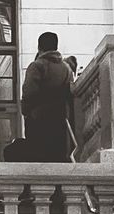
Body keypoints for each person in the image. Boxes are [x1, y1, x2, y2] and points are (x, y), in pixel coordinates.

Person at [20, 31, 75, 162]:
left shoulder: (37, 66)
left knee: (38, 156)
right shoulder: (66, 68)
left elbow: (29, 92)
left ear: (39, 47)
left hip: (38, 118)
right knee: (55, 157)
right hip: (59, 118)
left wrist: (26, 111)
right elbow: (71, 92)